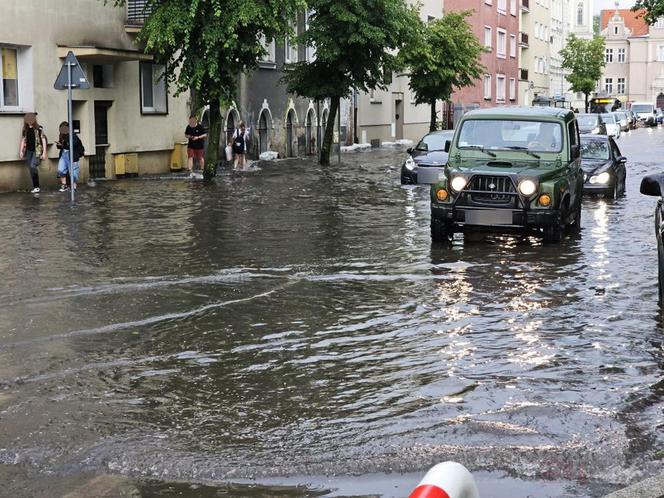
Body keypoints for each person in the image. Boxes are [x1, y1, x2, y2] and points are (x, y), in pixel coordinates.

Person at [19, 113, 47, 193]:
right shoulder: (25, 129)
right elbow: (23, 140)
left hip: (37, 151)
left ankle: (37, 186)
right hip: (28, 151)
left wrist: (44, 152)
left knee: (33, 165)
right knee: (31, 168)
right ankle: (36, 187)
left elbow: (43, 140)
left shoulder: (39, 128)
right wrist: (21, 151)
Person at [56, 122, 84, 192]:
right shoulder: (62, 135)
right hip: (64, 154)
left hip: (72, 155)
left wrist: (64, 143)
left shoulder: (73, 135)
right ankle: (64, 185)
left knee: (73, 173)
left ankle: (74, 187)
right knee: (61, 170)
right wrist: (59, 145)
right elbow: (63, 146)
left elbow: (72, 145)